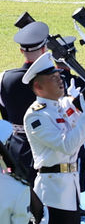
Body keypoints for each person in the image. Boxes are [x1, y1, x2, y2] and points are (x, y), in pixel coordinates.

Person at [23, 52, 85, 224]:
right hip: (53, 193)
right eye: (52, 78)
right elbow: (67, 145)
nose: (60, 80)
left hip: (69, 188)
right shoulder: (36, 116)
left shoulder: (61, 106)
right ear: (38, 87)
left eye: (58, 75)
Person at [0, 21, 51, 181]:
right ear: (45, 48)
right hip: (48, 146)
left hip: (17, 147)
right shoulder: (55, 79)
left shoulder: (4, 78)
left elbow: (5, 114)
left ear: (21, 50)